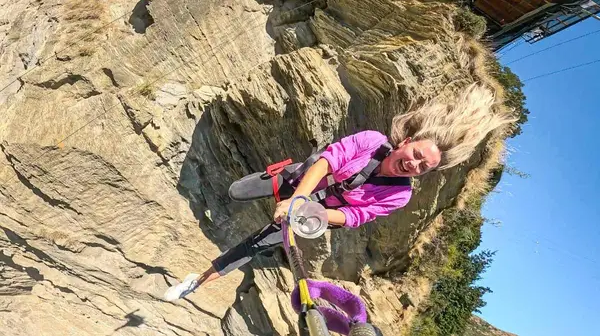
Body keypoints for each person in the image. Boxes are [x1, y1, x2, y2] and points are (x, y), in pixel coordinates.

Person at [164, 84, 514, 301]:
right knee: (238, 191)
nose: (415, 165)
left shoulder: (399, 194)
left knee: (254, 245)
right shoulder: (372, 141)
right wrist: (296, 197)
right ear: (406, 142)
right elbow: (326, 164)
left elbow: (353, 216)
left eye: (424, 167)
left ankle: (197, 282)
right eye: (417, 155)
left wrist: (305, 212)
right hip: (300, 180)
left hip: (317, 209)